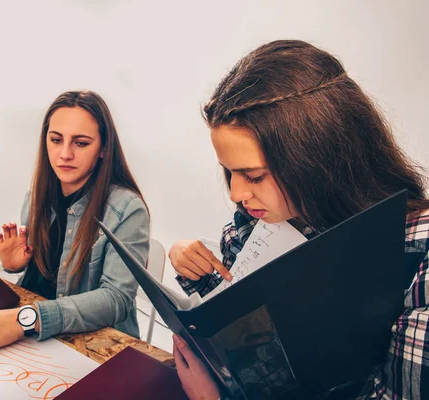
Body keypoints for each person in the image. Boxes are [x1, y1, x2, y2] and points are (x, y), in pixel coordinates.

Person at [169, 40, 429, 400]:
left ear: (317, 161)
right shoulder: (265, 217)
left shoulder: (418, 252)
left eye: (254, 176)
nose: (236, 193)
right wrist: (194, 267)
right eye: (229, 173)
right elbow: (236, 311)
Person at [0, 90, 149, 355]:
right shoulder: (36, 195)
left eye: (81, 143)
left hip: (87, 345)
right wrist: (15, 266)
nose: (64, 154)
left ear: (103, 149)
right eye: (56, 140)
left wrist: (26, 318)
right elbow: (44, 280)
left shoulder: (127, 208)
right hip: (30, 335)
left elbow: (116, 300)